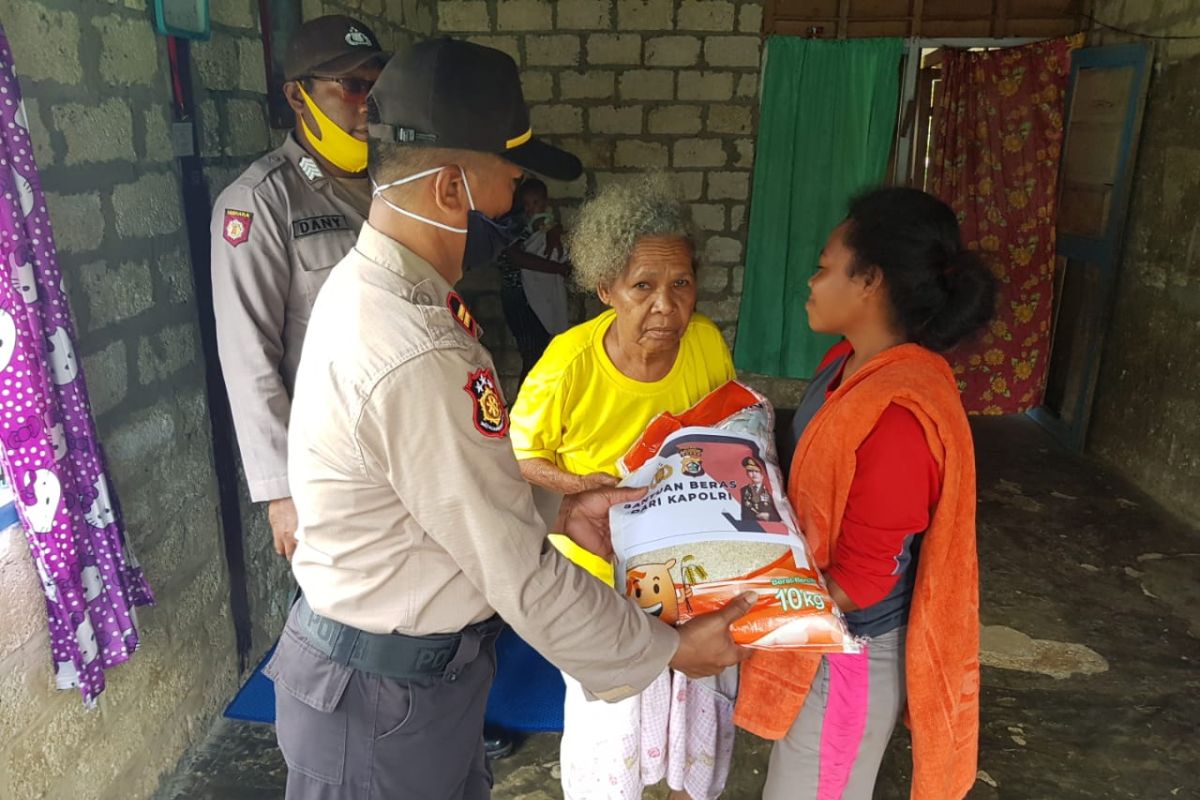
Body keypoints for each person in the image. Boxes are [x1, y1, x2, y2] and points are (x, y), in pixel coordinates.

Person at [268, 38, 753, 800]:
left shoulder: (385, 294)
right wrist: (667, 650)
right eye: (511, 182)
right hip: (379, 706)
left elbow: (438, 489)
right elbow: (518, 573)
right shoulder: (413, 347)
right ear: (453, 190)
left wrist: (559, 504)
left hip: (410, 688)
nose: (517, 206)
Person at [734, 187, 996, 800]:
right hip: (816, 633)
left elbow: (861, 579)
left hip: (846, 658)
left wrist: (729, 602)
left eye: (825, 268)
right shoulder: (848, 365)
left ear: (870, 281)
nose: (811, 281)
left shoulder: (899, 417)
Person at [509, 174, 739, 800]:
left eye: (681, 284)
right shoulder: (567, 363)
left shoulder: (707, 346)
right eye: (644, 287)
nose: (667, 307)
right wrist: (580, 488)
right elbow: (516, 458)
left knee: (697, 693)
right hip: (596, 567)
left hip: (688, 562)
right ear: (606, 288)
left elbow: (729, 440)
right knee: (611, 713)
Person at [210, 15, 386, 561]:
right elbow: (249, 357)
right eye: (352, 86)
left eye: (377, 87)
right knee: (341, 614)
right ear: (297, 96)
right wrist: (280, 490)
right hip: (327, 470)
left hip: (404, 444)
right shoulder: (261, 203)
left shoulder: (398, 183)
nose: (367, 104)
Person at [498, 178, 572, 386]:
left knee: (539, 353)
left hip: (538, 293)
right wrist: (557, 268)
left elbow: (553, 234)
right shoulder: (512, 224)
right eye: (526, 204)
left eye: (535, 203)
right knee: (532, 355)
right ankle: (526, 409)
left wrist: (554, 232)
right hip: (521, 298)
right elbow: (517, 257)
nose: (530, 209)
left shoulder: (543, 221)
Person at [739, 457, 780, 523]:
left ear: (763, 473)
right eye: (750, 471)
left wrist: (769, 516)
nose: (754, 474)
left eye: (757, 471)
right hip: (753, 527)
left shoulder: (772, 489)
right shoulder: (744, 490)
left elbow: (783, 514)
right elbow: (744, 514)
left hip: (771, 526)